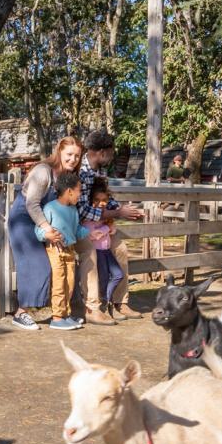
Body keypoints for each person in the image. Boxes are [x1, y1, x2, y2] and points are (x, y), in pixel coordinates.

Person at [7, 136, 84, 330]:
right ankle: (21, 313)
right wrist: (47, 229)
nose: (73, 159)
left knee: (62, 268)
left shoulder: (67, 178)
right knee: (39, 265)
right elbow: (32, 203)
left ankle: (60, 313)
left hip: (45, 224)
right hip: (25, 221)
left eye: (77, 156)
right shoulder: (43, 172)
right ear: (59, 152)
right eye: (69, 154)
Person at [76, 129, 145, 326]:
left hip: (98, 226)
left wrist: (126, 210)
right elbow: (82, 211)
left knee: (121, 249)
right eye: (111, 152)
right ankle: (92, 307)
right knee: (90, 252)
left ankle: (119, 302)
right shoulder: (81, 171)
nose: (112, 156)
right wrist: (118, 213)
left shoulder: (100, 171)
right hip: (80, 228)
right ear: (102, 151)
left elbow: (106, 198)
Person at [36, 172, 91, 330]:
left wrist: (90, 233)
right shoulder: (50, 208)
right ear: (69, 191)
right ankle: (57, 317)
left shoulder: (73, 210)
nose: (80, 195)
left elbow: (76, 230)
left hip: (70, 251)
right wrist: (49, 235)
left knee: (70, 283)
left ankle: (65, 315)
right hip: (55, 250)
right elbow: (39, 230)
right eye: (79, 191)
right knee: (59, 283)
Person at [82, 178, 126, 319]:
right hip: (98, 252)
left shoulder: (105, 215)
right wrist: (107, 228)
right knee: (104, 277)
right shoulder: (89, 217)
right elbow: (94, 234)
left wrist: (109, 228)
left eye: (104, 200)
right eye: (97, 200)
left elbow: (109, 230)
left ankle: (107, 301)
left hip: (106, 251)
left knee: (118, 274)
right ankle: (104, 305)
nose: (101, 203)